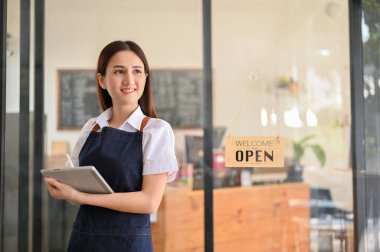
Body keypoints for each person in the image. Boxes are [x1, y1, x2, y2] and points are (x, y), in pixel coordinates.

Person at [45, 40, 178, 251]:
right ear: (102, 80)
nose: (129, 80)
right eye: (119, 72)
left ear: (145, 77)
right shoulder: (91, 127)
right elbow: (76, 189)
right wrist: (64, 189)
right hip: (84, 240)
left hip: (129, 243)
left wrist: (81, 197)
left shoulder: (156, 131)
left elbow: (149, 202)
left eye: (137, 71)